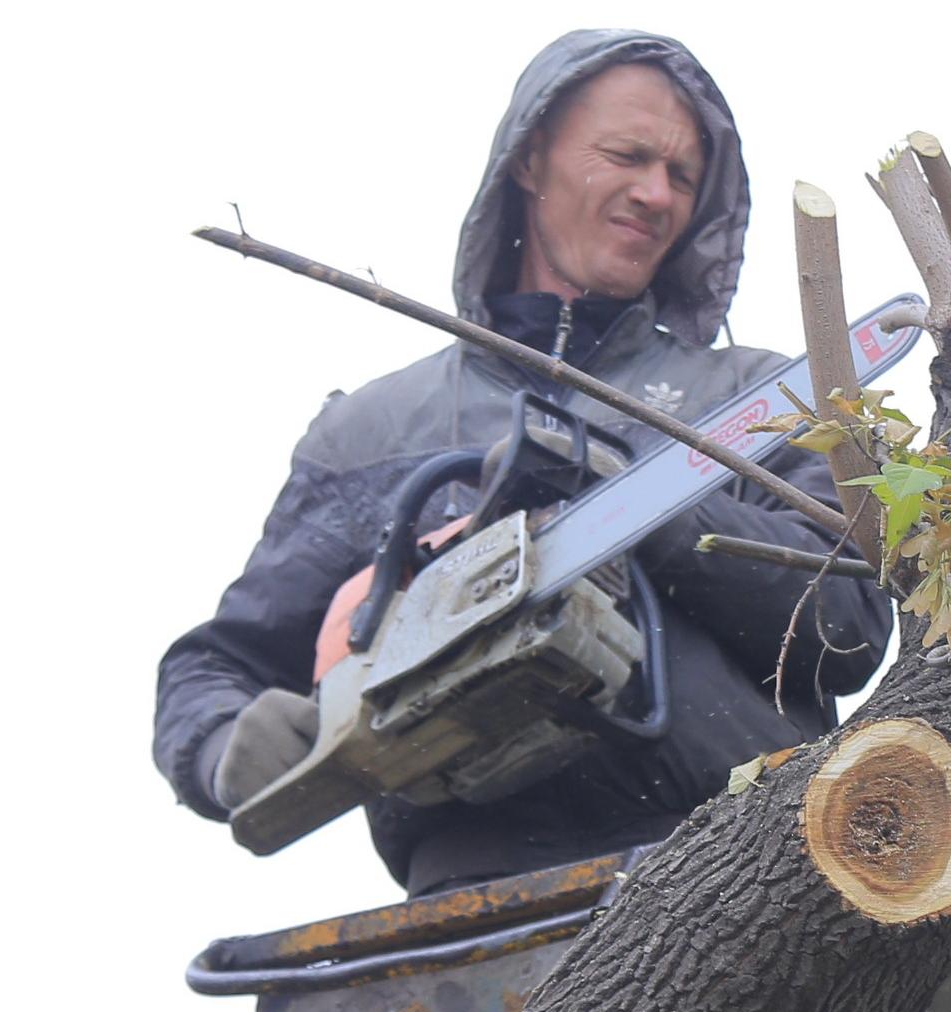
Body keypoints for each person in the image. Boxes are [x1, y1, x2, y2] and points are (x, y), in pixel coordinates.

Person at [154, 29, 890, 895]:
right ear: (531, 159)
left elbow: (848, 625)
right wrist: (221, 750)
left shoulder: (762, 397)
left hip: (745, 871)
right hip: (472, 891)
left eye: (684, 177)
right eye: (628, 155)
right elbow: (215, 666)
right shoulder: (374, 431)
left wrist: (629, 507)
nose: (656, 193)